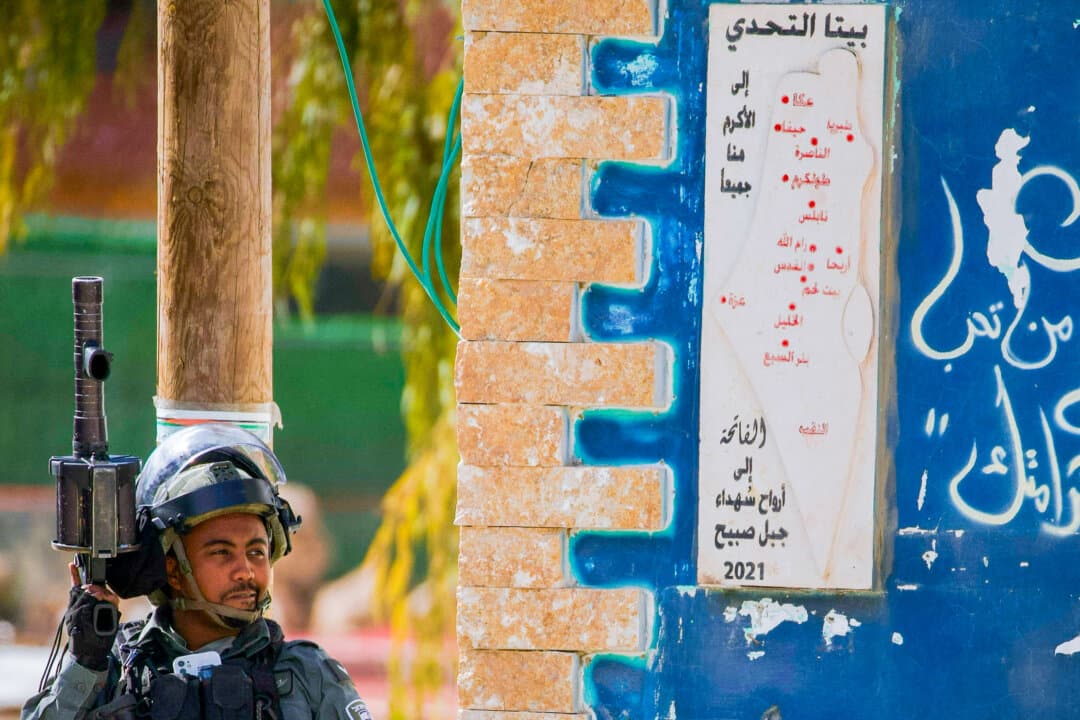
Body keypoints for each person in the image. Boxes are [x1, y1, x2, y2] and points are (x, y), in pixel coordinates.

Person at [23, 424, 374, 720]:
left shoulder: (305, 675)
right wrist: (83, 664)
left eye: (256, 552)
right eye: (222, 553)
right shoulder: (116, 669)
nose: (245, 571)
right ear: (172, 569)